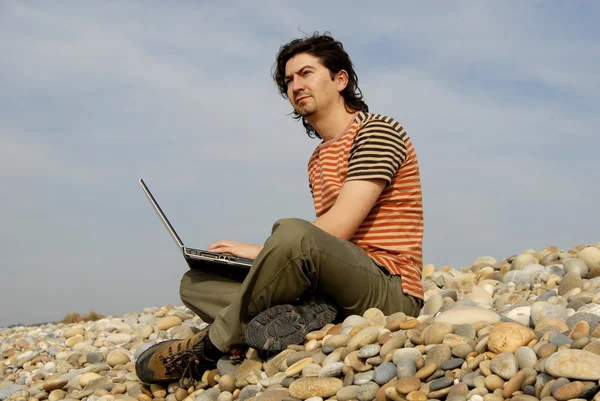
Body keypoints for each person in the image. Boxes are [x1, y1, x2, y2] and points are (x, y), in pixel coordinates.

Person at [135, 32, 424, 384]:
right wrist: (257, 258)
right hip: (334, 282)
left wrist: (262, 251)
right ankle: (309, 317)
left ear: (340, 79)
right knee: (197, 283)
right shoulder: (318, 157)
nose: (296, 85)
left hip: (388, 286)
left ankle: (209, 347)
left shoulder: (377, 130)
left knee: (291, 232)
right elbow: (323, 243)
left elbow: (339, 228)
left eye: (306, 73)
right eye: (289, 80)